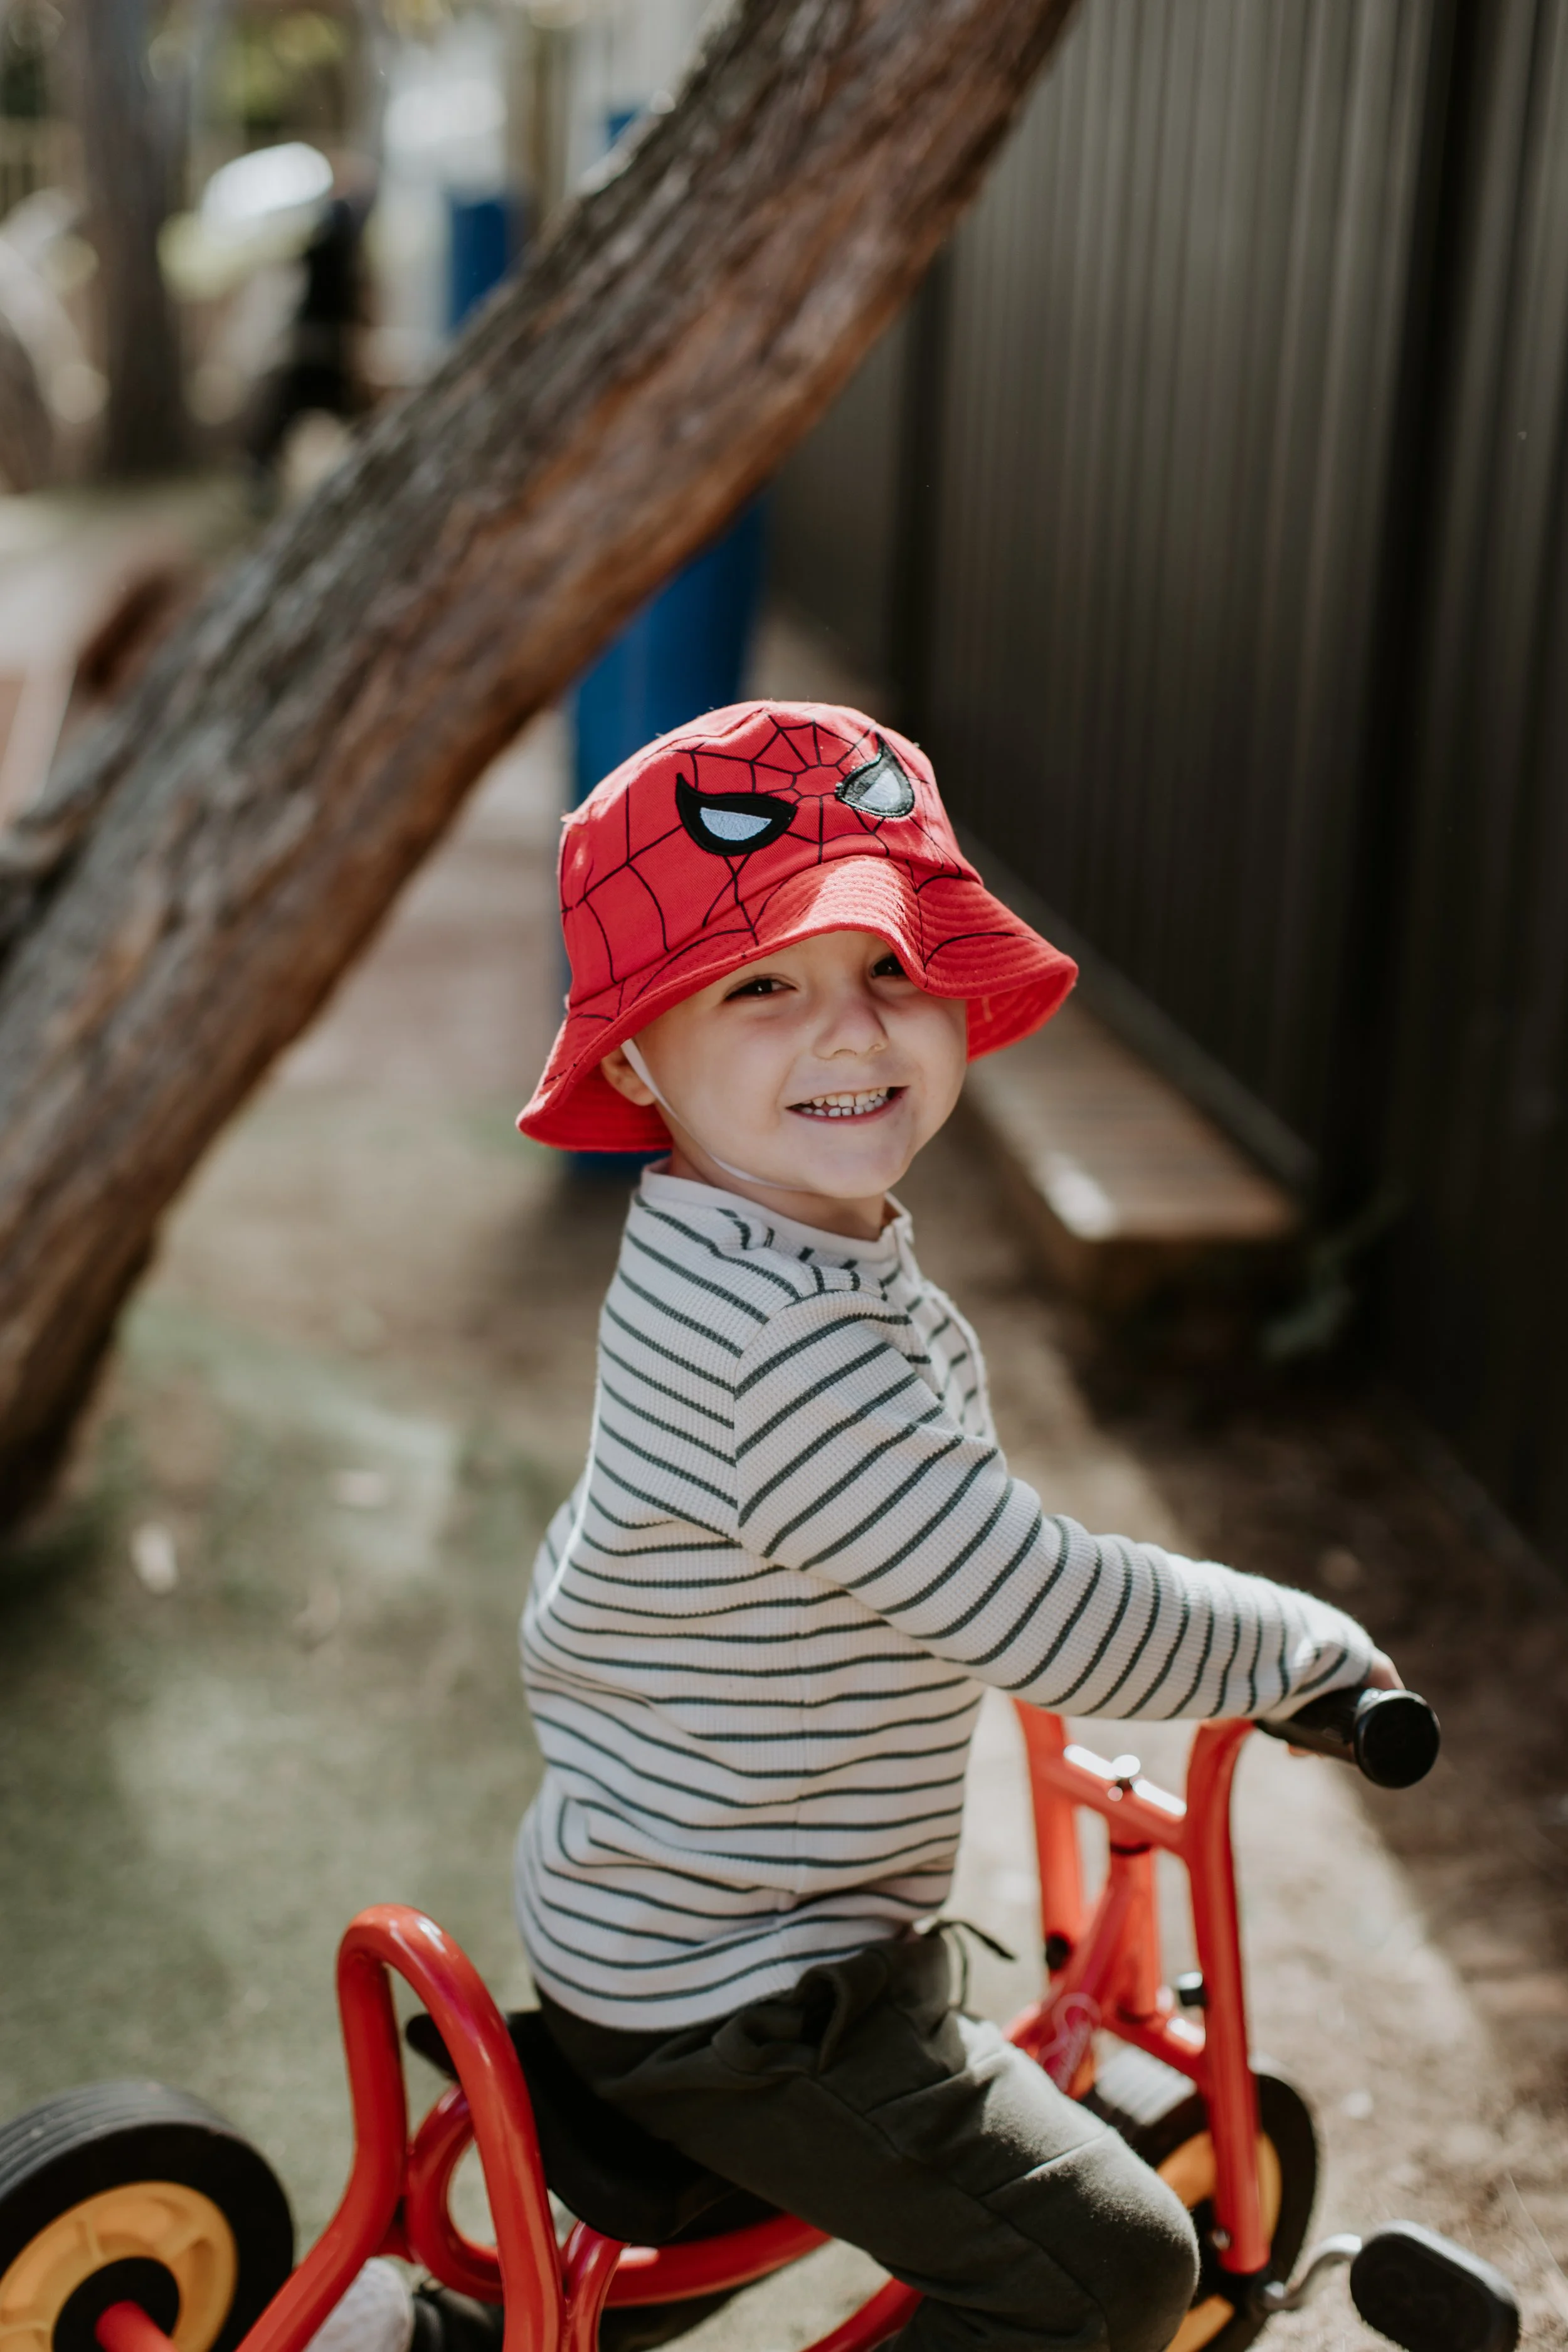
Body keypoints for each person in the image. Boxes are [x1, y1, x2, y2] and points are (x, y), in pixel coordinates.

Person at [489, 699, 1399, 2352]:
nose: (851, 1037)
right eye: (763, 984)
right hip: (748, 1998)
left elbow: (893, 1532)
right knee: (1115, 2267)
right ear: (631, 1052)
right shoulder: (794, 1343)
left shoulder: (735, 1239)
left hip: (655, 1903)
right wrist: (1289, 1646)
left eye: (893, 970)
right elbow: (1034, 1608)